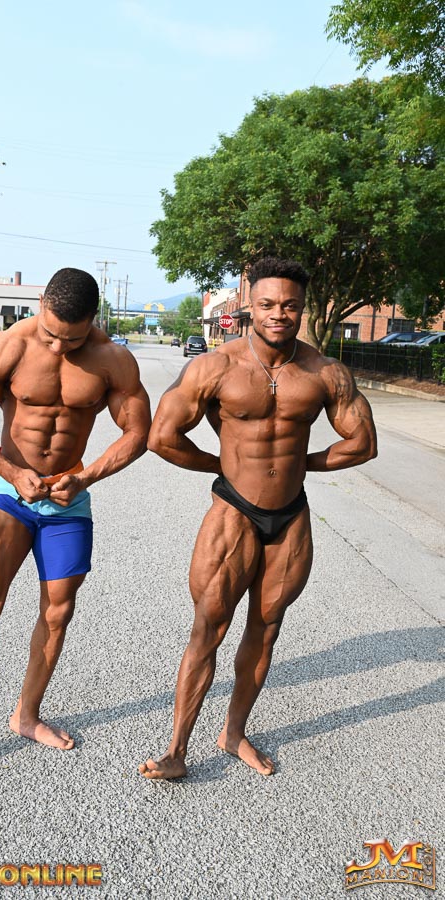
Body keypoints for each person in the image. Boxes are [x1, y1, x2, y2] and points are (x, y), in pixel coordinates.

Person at [139, 256, 377, 780]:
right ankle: (176, 750)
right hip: (234, 512)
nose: (278, 314)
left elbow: (362, 443)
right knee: (209, 626)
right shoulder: (215, 366)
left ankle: (234, 732)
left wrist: (301, 464)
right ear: (250, 305)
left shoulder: (326, 372)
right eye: (267, 304)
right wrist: (220, 464)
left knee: (266, 628)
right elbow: (162, 437)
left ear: (302, 308)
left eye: (289, 305)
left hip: (290, 516)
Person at [0, 267, 151, 781]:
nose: (57, 347)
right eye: (50, 333)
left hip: (68, 499)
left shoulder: (112, 359)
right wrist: (10, 471)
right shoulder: (7, 346)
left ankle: (26, 716)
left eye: (72, 339)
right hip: (8, 493)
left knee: (58, 612)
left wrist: (87, 476)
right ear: (41, 306)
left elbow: (138, 432)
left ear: (93, 321)